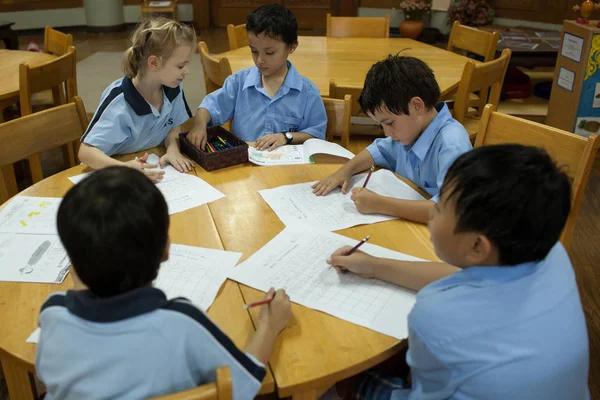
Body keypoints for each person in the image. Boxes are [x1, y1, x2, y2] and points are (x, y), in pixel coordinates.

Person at [327, 144, 590, 400]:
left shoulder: (435, 314)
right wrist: (375, 266)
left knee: (345, 380)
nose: (431, 215)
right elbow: (461, 278)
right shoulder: (549, 251)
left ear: (477, 245)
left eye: (439, 209)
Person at [36, 167, 292, 400]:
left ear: (72, 261)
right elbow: (241, 384)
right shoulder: (182, 322)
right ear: (167, 249)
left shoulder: (52, 313)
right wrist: (269, 326)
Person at [313, 55, 471, 224]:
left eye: (389, 123)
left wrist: (380, 204)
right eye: (382, 125)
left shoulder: (452, 143)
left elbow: (450, 211)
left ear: (416, 106)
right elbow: (378, 150)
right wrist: (344, 172)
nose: (387, 133)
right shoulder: (411, 131)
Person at [187, 3, 327, 151]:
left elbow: (316, 134)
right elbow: (208, 107)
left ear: (292, 46)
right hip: (245, 165)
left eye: (270, 52)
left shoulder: (307, 92)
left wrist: (286, 137)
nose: (260, 60)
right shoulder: (238, 83)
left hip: (287, 168)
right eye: (254, 51)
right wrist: (199, 125)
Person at [78, 18, 196, 183]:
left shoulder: (173, 87)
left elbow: (173, 126)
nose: (187, 71)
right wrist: (125, 169)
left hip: (149, 165)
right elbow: (85, 152)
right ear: (154, 62)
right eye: (180, 66)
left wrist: (173, 149)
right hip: (113, 174)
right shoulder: (119, 102)